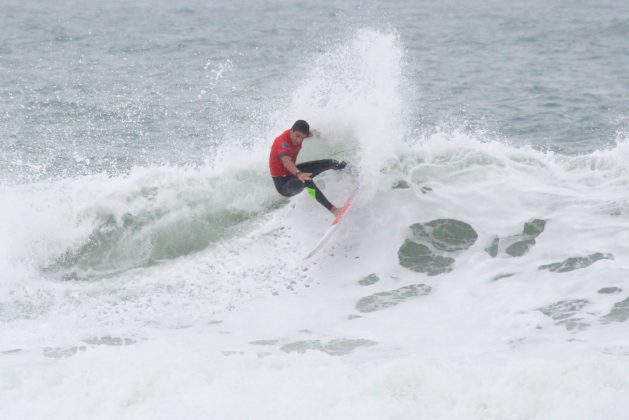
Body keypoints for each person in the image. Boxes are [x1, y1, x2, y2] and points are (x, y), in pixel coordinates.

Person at [269, 120, 347, 217]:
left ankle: (353, 169)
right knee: (306, 180)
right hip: (284, 185)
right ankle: (334, 210)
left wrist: (325, 134)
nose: (299, 140)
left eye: (303, 137)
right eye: (298, 136)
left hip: (292, 173)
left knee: (330, 162)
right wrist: (299, 174)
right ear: (291, 131)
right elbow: (286, 161)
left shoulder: (299, 134)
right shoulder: (282, 143)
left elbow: (310, 133)